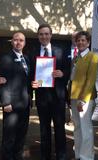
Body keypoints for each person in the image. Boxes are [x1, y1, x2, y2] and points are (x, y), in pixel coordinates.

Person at [30, 24, 69, 160]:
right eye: (41, 34)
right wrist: (32, 82)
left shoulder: (61, 50)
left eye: (46, 34)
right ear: (38, 36)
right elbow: (30, 73)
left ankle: (61, 156)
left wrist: (62, 73)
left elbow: (68, 70)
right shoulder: (33, 51)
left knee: (59, 129)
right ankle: (45, 156)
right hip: (42, 97)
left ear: (51, 35)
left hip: (57, 97)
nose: (44, 36)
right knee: (44, 129)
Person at [0, 32, 31, 160]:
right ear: (12, 42)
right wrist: (6, 102)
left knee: (21, 135)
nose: (18, 42)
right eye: (16, 40)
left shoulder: (26, 59)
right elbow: (3, 81)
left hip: (25, 103)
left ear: (25, 42)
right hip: (11, 104)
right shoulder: (6, 58)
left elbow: (26, 80)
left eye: (21, 40)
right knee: (9, 136)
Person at [70, 31, 98, 160]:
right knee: (77, 128)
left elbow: (90, 80)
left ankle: (86, 157)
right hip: (73, 97)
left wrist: (83, 100)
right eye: (78, 40)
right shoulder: (77, 57)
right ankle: (78, 155)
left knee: (85, 129)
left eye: (83, 40)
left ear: (88, 42)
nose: (80, 42)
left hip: (84, 99)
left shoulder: (93, 57)